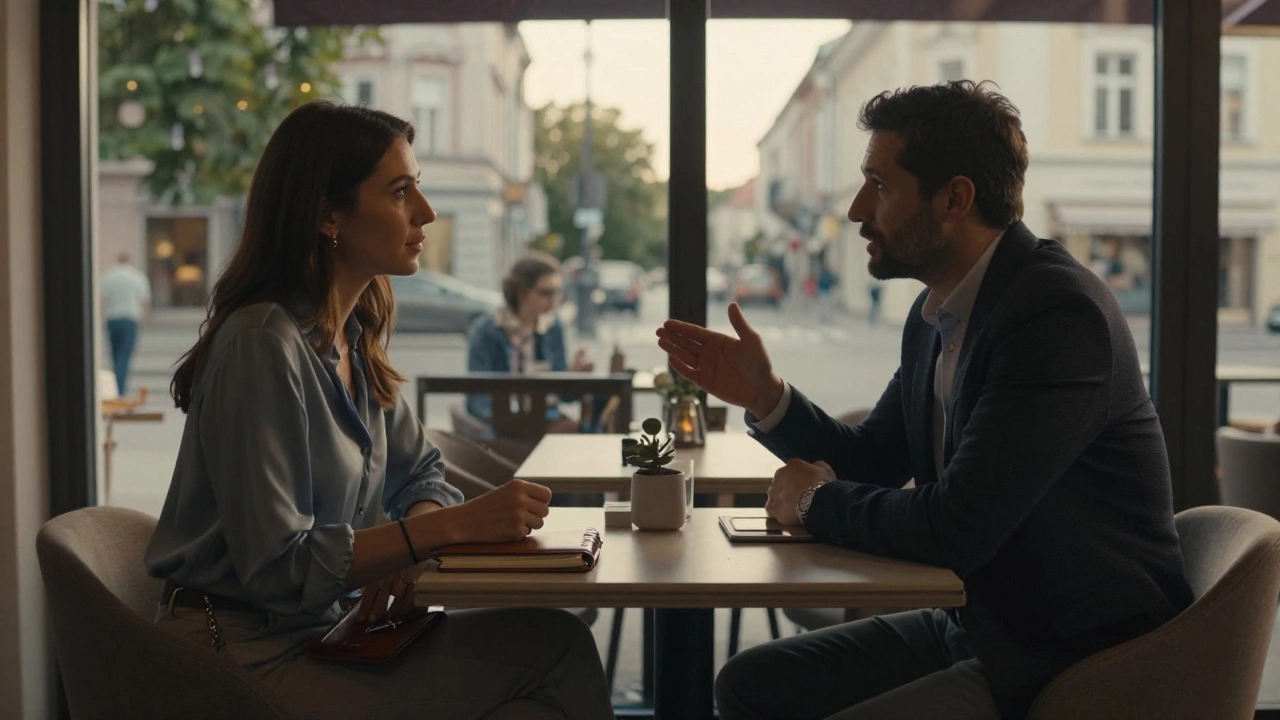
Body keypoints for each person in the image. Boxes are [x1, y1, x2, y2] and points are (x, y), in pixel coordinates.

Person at [656, 81, 1192, 720]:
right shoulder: (937, 312)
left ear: (954, 199)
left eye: (879, 186)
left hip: (1076, 655)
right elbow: (874, 460)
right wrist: (766, 397)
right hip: (982, 625)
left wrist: (812, 501)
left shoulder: (1056, 315)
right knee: (748, 684)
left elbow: (956, 528)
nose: (857, 210)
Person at [145, 102, 613, 720]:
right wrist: (437, 532)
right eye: (399, 192)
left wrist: (409, 542)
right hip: (240, 655)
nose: (426, 211)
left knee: (548, 658)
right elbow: (278, 568)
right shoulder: (261, 345)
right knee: (558, 649)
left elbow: (422, 473)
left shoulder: (352, 337)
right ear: (326, 215)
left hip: (328, 630)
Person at [466, 252, 595, 437]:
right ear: (521, 292)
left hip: (546, 417)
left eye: (557, 292)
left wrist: (576, 376)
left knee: (590, 429)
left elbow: (562, 395)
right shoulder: (488, 329)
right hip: (500, 422)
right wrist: (502, 423)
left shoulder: (552, 327)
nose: (554, 300)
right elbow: (477, 394)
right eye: (546, 293)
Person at [100, 252, 152, 396]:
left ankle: (116, 386)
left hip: (113, 318)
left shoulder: (108, 276)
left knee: (114, 355)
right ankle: (120, 389)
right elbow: (144, 301)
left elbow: (102, 299)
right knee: (124, 355)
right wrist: (145, 320)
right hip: (130, 319)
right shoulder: (137, 276)